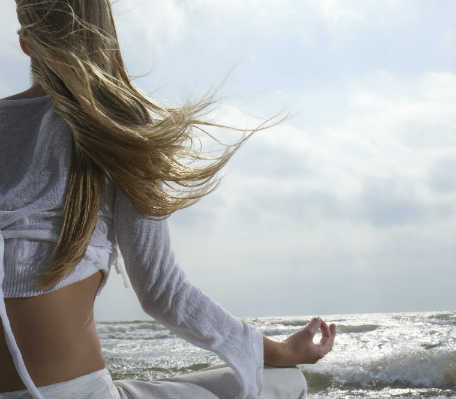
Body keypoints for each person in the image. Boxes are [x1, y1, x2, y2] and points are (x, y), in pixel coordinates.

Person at [0, 1, 336, 398]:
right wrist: (280, 350)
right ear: (107, 37)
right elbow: (162, 291)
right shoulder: (119, 125)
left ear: (24, 43)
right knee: (285, 380)